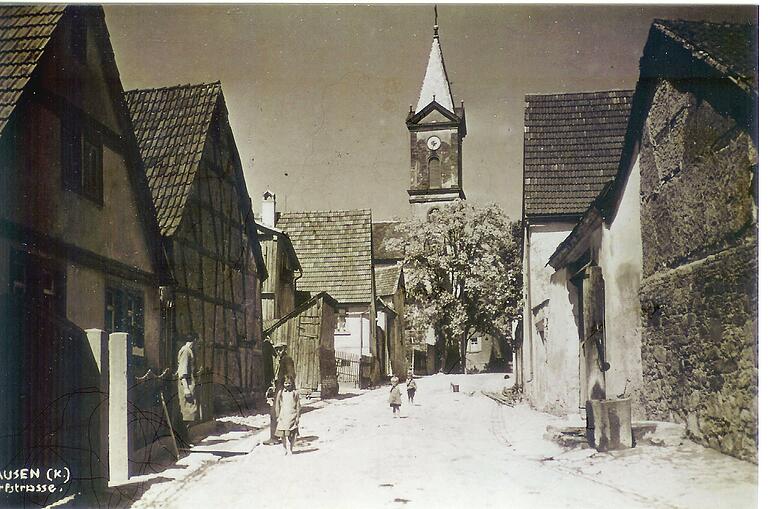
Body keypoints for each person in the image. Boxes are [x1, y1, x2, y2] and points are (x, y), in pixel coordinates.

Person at [264, 339, 296, 444]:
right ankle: (282, 435)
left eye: (280, 349)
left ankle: (274, 438)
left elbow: (291, 375)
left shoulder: (287, 360)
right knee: (281, 414)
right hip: (281, 389)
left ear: (284, 349)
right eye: (276, 350)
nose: (278, 352)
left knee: (275, 413)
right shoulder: (282, 360)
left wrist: (284, 388)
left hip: (284, 391)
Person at [177, 333, 200, 447]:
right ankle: (183, 441)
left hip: (190, 385)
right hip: (186, 386)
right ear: (194, 340)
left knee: (190, 413)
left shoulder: (188, 351)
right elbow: (183, 372)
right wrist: (186, 388)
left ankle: (186, 439)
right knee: (187, 414)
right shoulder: (186, 351)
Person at [274, 376, 301, 455]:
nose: (288, 385)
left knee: (292, 434)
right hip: (283, 416)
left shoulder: (295, 393)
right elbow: (277, 405)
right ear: (283, 384)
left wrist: (298, 417)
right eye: (286, 383)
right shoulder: (281, 392)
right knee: (282, 434)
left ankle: (291, 448)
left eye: (289, 383)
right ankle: (284, 448)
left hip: (292, 416)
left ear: (292, 383)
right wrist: (278, 415)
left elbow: (298, 406)